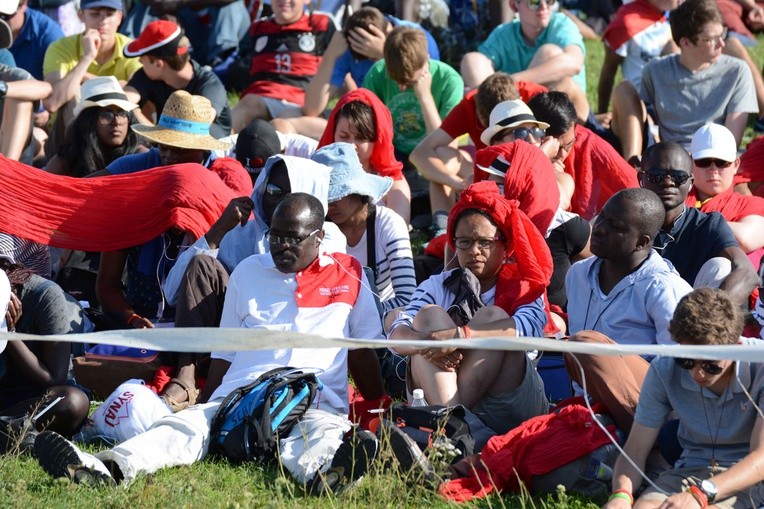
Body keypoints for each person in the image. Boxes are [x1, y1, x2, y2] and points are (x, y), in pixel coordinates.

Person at [32, 193, 386, 493]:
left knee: (320, 435)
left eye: (293, 238)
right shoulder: (248, 272)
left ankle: (326, 476)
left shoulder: (349, 275)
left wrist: (379, 407)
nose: (281, 246)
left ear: (319, 236)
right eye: (275, 236)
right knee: (183, 429)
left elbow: (363, 350)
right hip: (243, 397)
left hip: (315, 399)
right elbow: (225, 350)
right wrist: (210, 404)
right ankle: (107, 469)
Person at [388, 181, 552, 435]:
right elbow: (397, 336)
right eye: (464, 242)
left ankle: (450, 427)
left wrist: (460, 338)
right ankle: (456, 426)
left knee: (493, 316)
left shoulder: (525, 284)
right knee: (428, 316)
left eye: (484, 242)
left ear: (504, 244)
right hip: (444, 392)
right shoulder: (438, 284)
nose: (474, 251)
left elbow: (528, 329)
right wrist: (432, 341)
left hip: (508, 402)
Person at [604, 288, 764, 509]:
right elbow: (635, 450)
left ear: (736, 347)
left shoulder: (761, 365)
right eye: (687, 362)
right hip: (689, 471)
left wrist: (701, 495)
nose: (697, 374)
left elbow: (761, 459)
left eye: (710, 365)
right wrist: (620, 496)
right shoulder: (664, 368)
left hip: (747, 478)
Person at [564, 188, 693, 433]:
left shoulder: (665, 287)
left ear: (642, 242)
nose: (599, 228)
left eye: (616, 226)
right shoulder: (577, 273)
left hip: (651, 409)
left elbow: (680, 372)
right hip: (589, 404)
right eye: (601, 217)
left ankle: (644, 446)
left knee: (587, 344)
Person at [620, 0, 757, 157]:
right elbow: (648, 119)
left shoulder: (737, 72)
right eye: (711, 39)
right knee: (623, 88)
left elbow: (731, 144)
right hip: (668, 159)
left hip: (713, 161)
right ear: (685, 43)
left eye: (722, 34)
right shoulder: (655, 71)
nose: (721, 43)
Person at [280, 6, 439, 139]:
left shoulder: (416, 37)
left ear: (387, 32)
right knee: (288, 116)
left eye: (371, 56)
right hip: (368, 123)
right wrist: (330, 56)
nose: (368, 59)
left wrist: (387, 52)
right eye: (362, 57)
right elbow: (312, 109)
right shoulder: (350, 47)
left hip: (411, 123)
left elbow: (430, 89)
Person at [410, 72, 547, 225]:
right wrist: (457, 183)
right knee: (443, 155)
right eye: (490, 128)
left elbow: (565, 135)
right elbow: (419, 153)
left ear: (520, 101)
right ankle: (442, 225)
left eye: (519, 131)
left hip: (531, 179)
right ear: (478, 112)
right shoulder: (469, 105)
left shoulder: (535, 96)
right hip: (487, 177)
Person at [637, 142, 759, 307]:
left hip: (691, 320)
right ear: (641, 179)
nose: (667, 182)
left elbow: (747, 272)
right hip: (632, 315)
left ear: (690, 182)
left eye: (678, 176)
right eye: (656, 175)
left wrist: (709, 314)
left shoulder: (708, 224)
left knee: (721, 267)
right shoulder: (628, 218)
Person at [361, 25, 463, 206]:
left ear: (426, 61)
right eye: (397, 81)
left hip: (434, 154)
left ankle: (441, 218)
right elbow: (365, 129)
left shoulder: (449, 80)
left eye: (408, 83)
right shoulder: (377, 73)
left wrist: (424, 96)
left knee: (444, 154)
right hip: (393, 152)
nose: (401, 88)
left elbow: (448, 142)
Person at [0, 257, 90, 447]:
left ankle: (9, 430)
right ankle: (11, 433)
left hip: (30, 400)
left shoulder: (45, 295)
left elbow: (55, 380)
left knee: (73, 402)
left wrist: (10, 336)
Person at [319, 142, 416, 316]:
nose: (329, 204)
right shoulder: (317, 227)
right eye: (323, 197)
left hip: (382, 319)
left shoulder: (388, 223)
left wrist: (357, 317)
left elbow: (407, 298)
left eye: (336, 196)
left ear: (358, 190)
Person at [460, 0, 589, 121]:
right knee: (471, 59)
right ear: (515, 5)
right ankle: (494, 120)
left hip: (565, 113)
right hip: (514, 110)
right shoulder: (504, 33)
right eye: (534, 2)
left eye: (549, 1)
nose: (544, 7)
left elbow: (574, 63)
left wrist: (509, 83)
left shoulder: (562, 24)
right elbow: (475, 64)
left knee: (549, 53)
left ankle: (506, 121)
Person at [42, 0, 142, 156]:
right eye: (95, 14)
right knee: (74, 94)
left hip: (119, 143)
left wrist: (82, 78)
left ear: (120, 17)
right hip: (69, 145)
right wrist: (87, 57)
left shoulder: (132, 49)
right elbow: (53, 102)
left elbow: (136, 95)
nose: (103, 20)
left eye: (110, 14)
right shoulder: (60, 47)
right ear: (80, 15)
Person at [527, 91, 638, 221]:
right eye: (555, 147)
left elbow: (636, 194)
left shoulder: (592, 147)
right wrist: (542, 163)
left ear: (575, 128)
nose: (562, 154)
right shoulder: (517, 147)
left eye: (567, 145)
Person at [230, 0, 336, 133]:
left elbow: (343, 66)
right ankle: (215, 148)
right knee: (249, 102)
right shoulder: (257, 28)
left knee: (281, 123)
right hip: (261, 98)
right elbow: (237, 66)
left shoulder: (321, 24)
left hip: (301, 103)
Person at [122, 20, 232, 139]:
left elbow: (194, 130)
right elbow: (123, 101)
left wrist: (135, 113)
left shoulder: (210, 86)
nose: (139, 61)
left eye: (142, 58)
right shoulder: (149, 75)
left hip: (208, 154)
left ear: (159, 64)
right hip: (168, 151)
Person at [317, 88, 412, 224]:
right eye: (344, 136)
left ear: (377, 141)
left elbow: (398, 230)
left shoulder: (393, 183)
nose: (351, 145)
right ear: (333, 134)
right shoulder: (315, 175)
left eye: (361, 138)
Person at [687, 123, 764, 270]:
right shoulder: (676, 196)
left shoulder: (753, 204)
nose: (713, 170)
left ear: (736, 165)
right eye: (703, 162)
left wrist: (682, 220)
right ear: (690, 164)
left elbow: (744, 239)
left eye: (722, 162)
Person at [45, 76, 145, 177]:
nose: (117, 121)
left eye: (123, 114)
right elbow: (42, 183)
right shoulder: (71, 156)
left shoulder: (141, 155)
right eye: (107, 115)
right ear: (89, 122)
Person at [118, 0, 249, 68]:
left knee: (231, 6)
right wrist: (166, 12)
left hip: (229, 41)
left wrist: (179, 3)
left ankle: (221, 63)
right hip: (190, 37)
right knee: (146, 8)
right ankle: (132, 60)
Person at [1, 0, 63, 80]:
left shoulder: (49, 36)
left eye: (3, 16)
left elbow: (56, 87)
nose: (1, 22)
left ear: (24, 4)